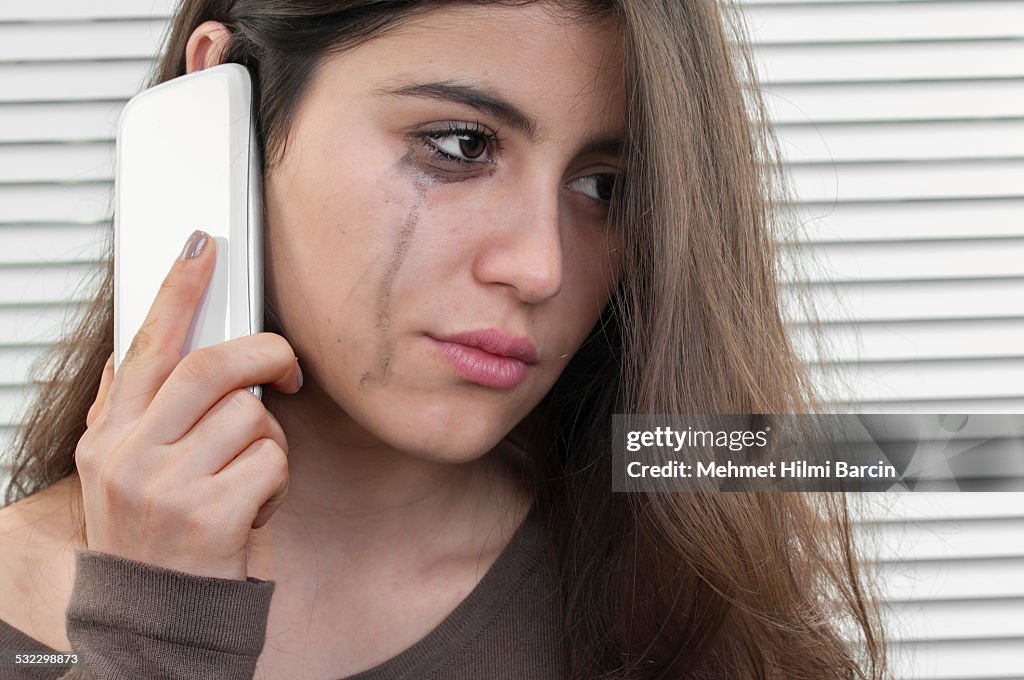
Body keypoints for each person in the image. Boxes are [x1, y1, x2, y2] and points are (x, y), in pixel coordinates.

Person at [0, 1, 888, 678]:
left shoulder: (692, 607)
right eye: (460, 144)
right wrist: (154, 632)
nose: (540, 267)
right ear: (223, 98)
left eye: (605, 186)